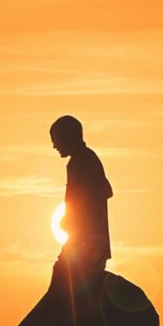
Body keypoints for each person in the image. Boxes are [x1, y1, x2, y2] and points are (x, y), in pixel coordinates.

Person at [50, 115, 112, 273]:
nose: (54, 146)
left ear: (67, 137)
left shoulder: (85, 160)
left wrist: (76, 216)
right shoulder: (79, 161)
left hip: (89, 242)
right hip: (82, 240)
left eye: (56, 140)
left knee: (65, 275)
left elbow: (104, 191)